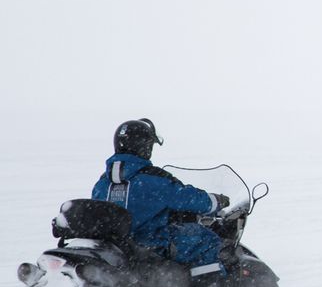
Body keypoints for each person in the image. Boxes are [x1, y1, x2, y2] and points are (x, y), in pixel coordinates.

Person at [91, 118, 228, 276]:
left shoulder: (102, 183)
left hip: (119, 244)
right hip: (150, 241)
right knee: (206, 240)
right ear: (144, 146)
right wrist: (215, 201)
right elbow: (188, 198)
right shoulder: (154, 179)